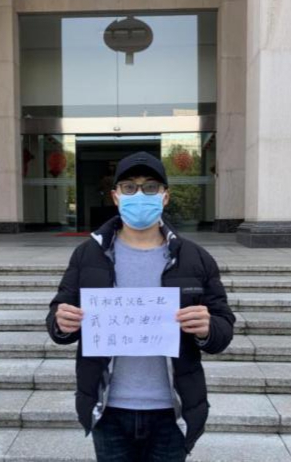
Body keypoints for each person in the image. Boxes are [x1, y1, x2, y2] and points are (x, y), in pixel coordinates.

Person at [45, 151, 236, 461]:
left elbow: (223, 326)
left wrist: (208, 328)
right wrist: (61, 322)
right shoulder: (88, 255)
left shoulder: (194, 258)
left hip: (172, 410)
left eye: (150, 187)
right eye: (129, 187)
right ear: (116, 196)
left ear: (165, 196)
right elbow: (58, 316)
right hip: (108, 408)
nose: (139, 195)